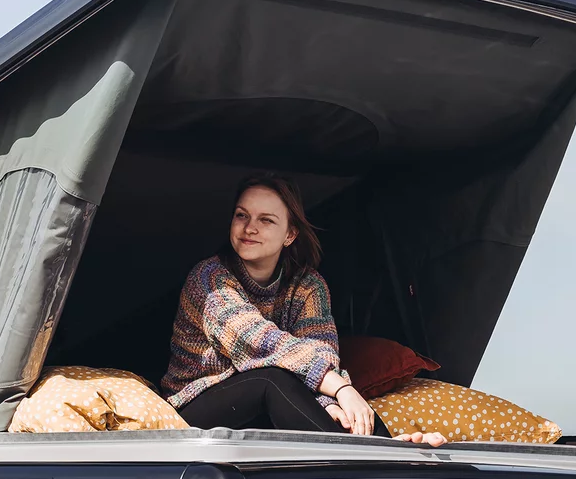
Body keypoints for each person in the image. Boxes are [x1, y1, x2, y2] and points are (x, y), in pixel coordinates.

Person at [162, 174, 443, 446]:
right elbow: (260, 344)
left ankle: (392, 448)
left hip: (269, 407)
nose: (249, 228)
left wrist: (327, 404)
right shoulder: (209, 279)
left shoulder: (308, 286)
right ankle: (371, 460)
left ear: (290, 234)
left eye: (266, 220)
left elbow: (321, 351)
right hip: (197, 405)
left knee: (329, 402)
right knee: (269, 377)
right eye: (241, 215)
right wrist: (341, 388)